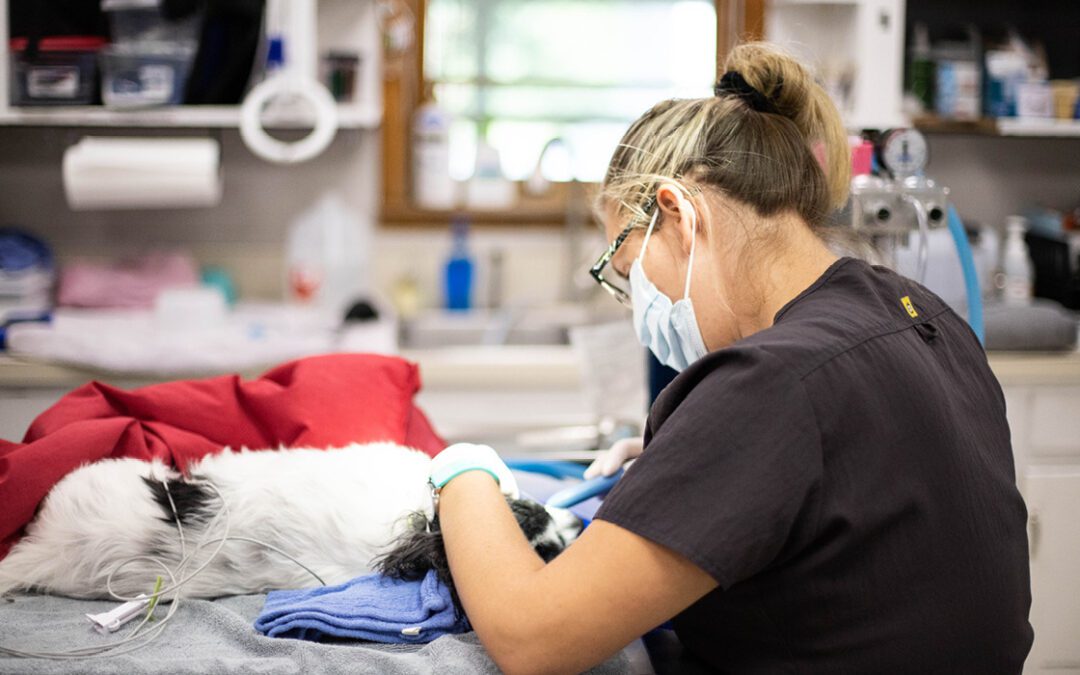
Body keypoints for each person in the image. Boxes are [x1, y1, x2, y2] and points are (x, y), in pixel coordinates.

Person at [427, 42, 1033, 674]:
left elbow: (533, 640)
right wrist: (701, 455)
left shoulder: (767, 386)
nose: (638, 308)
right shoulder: (918, 310)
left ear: (677, 214)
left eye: (629, 274)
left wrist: (463, 474)